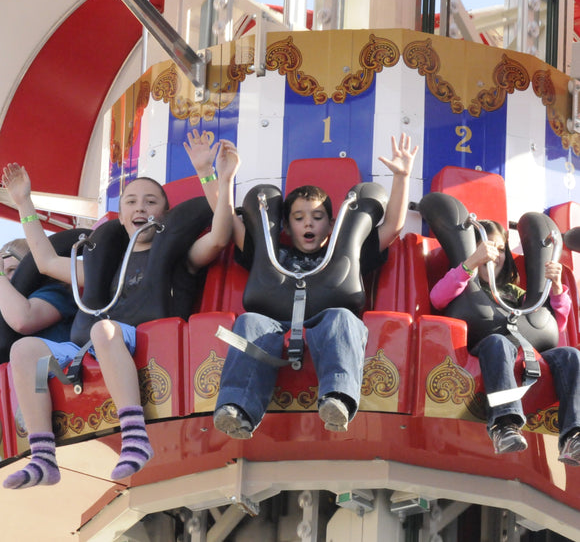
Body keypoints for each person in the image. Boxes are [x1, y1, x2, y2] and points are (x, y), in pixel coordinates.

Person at [0, 142, 239, 489]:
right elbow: (47, 262)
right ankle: (42, 454)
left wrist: (212, 174)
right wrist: (24, 202)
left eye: (150, 201)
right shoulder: (105, 265)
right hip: (90, 352)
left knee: (103, 330)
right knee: (26, 353)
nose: (140, 207)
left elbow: (219, 237)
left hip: (140, 342)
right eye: (131, 201)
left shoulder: (176, 256)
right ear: (122, 215)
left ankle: (134, 435)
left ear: (164, 214)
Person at [185, 131, 418, 439]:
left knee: (343, 319)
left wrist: (401, 177)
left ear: (331, 224)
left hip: (326, 326)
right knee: (248, 323)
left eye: (317, 216)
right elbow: (226, 218)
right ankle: (236, 407)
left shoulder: (347, 252)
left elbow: (392, 227)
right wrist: (212, 175)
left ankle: (338, 399)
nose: (308, 223)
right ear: (287, 225)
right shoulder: (269, 253)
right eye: (299, 217)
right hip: (271, 326)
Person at [430, 219, 580, 464]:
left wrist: (555, 287)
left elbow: (555, 325)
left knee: (571, 356)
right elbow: (437, 297)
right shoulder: (464, 282)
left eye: (499, 249)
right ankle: (504, 425)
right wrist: (470, 264)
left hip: (527, 354)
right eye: (487, 248)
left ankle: (573, 435)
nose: (494, 254)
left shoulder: (513, 292)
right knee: (498, 342)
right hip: (489, 351)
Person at [0, 238, 77, 354]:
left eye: (12, 270)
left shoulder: (55, 292)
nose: (6, 278)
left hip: (58, 367)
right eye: (3, 272)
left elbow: (23, 321)